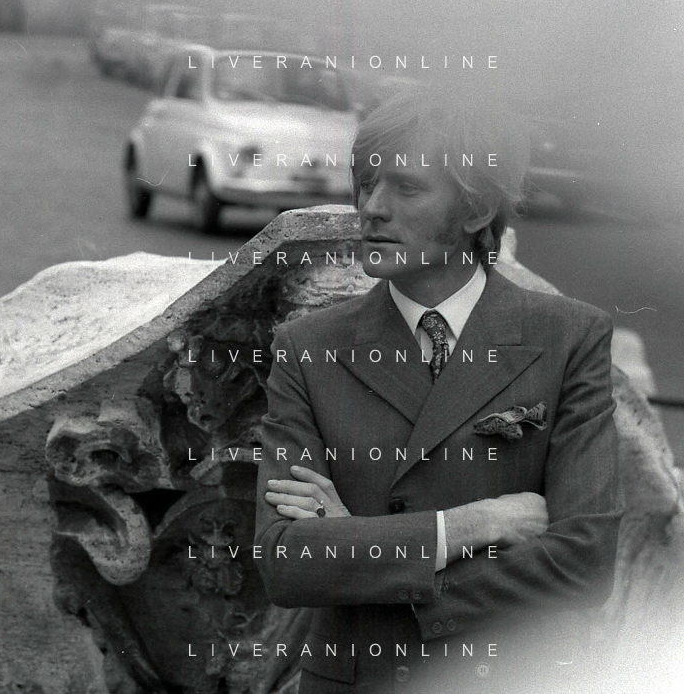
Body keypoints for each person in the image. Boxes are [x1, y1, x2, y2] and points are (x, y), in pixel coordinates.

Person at [253, 89, 621, 693]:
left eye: (407, 187)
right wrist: (468, 526)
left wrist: (362, 544)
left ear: (476, 210)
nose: (372, 208)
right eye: (365, 184)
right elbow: (286, 561)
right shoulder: (308, 346)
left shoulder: (568, 338)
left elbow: (584, 561)